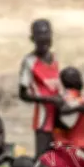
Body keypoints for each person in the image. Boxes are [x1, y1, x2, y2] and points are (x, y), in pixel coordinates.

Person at [19, 19, 62, 158]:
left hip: (60, 115)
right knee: (42, 158)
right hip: (43, 118)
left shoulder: (55, 58)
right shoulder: (29, 62)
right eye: (39, 35)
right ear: (33, 38)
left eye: (46, 34)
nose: (44, 38)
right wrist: (48, 99)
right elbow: (23, 94)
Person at [54, 67, 84, 151]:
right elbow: (63, 110)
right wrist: (79, 107)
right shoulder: (68, 97)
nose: (80, 81)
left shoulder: (68, 95)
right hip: (65, 137)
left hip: (65, 137)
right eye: (78, 78)